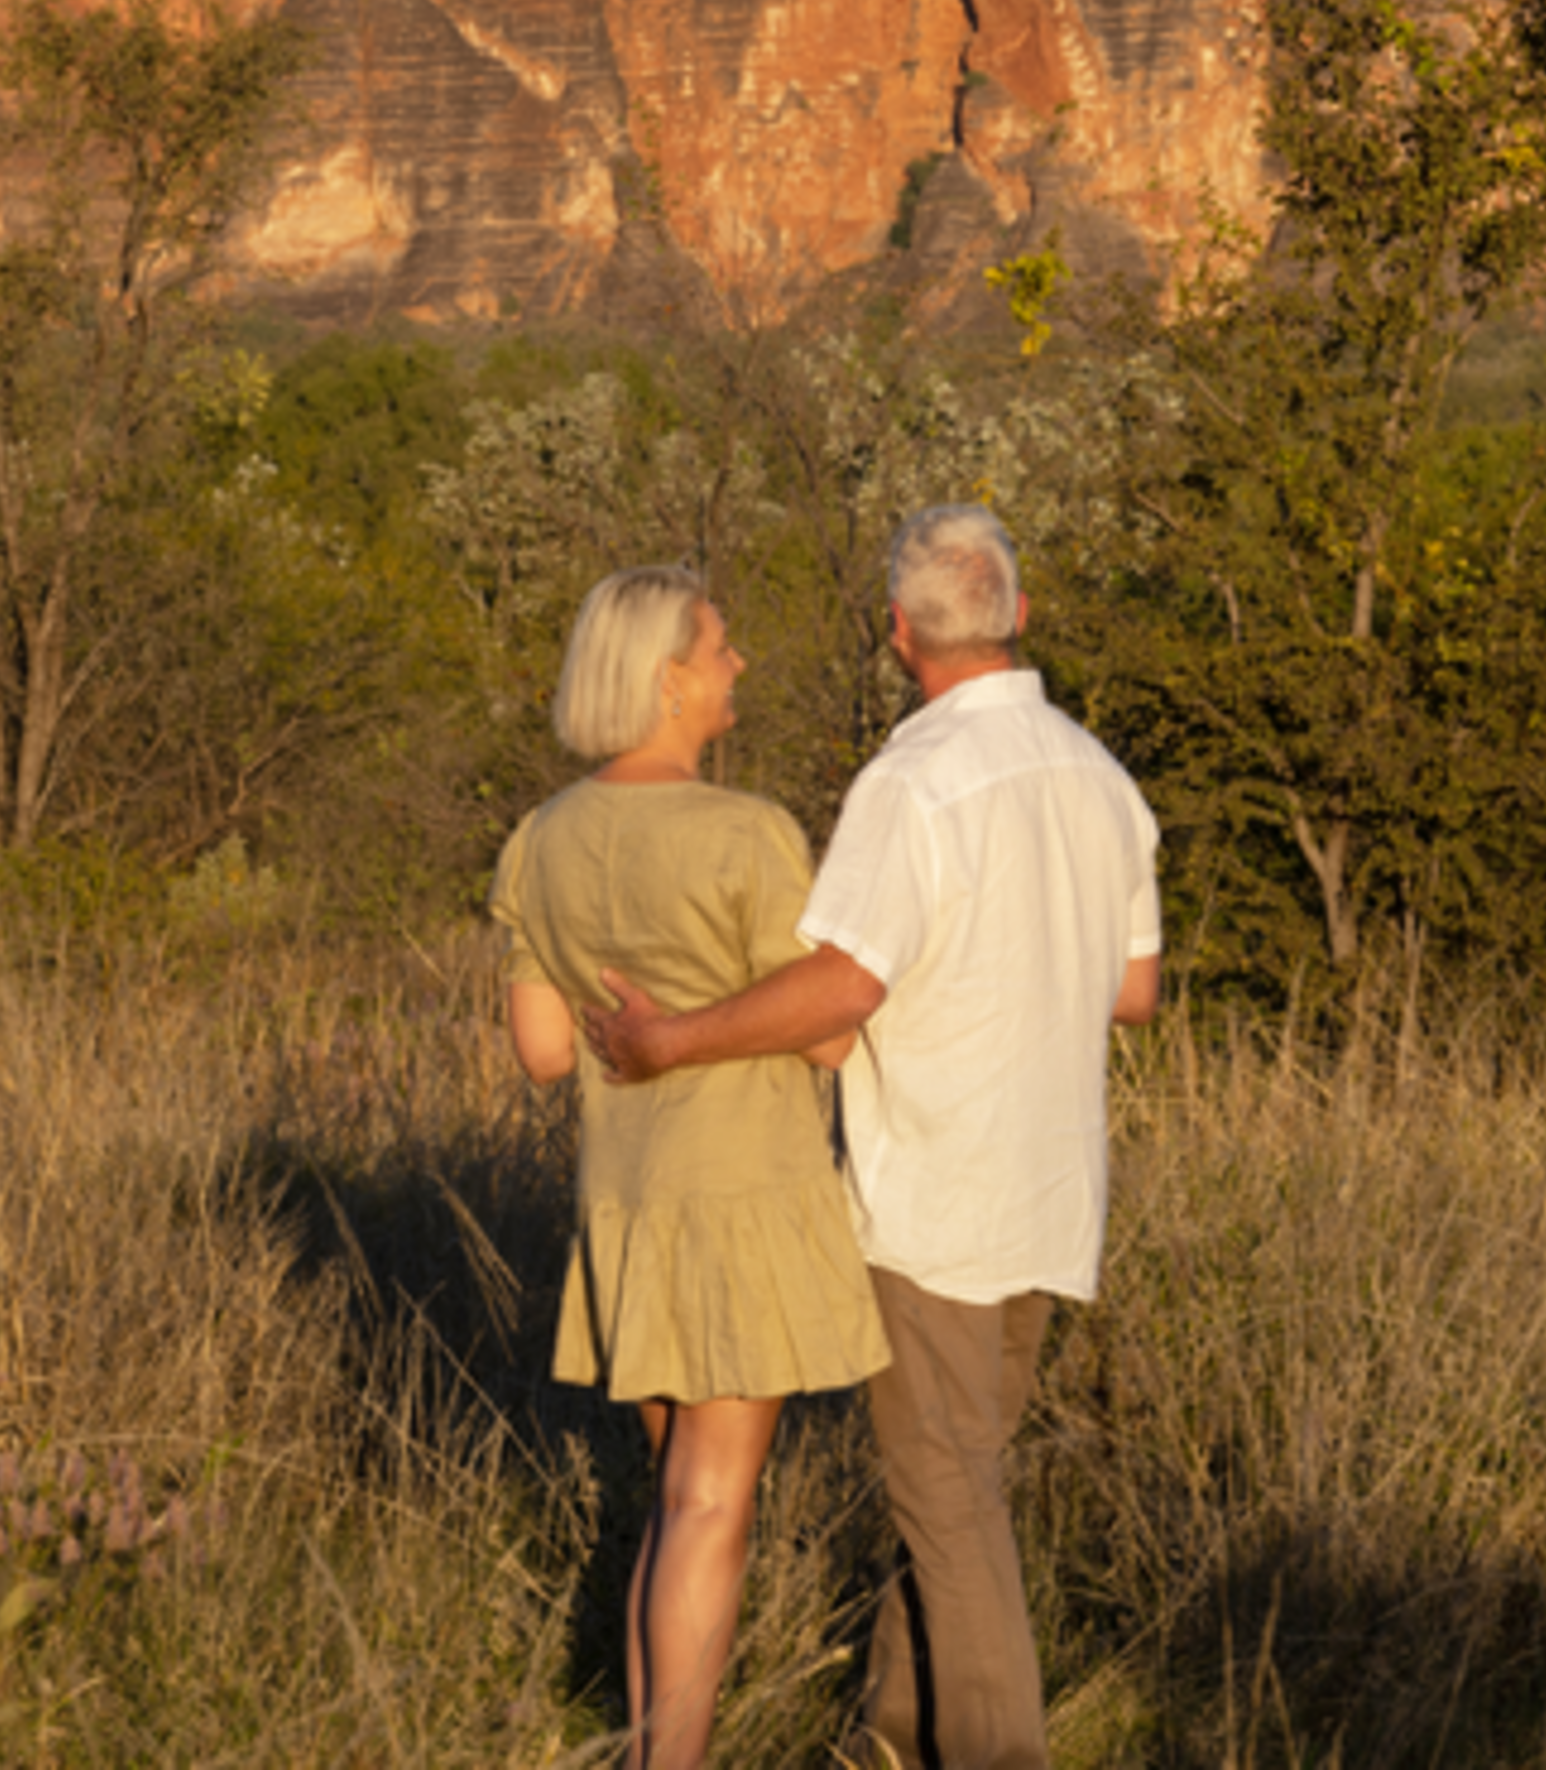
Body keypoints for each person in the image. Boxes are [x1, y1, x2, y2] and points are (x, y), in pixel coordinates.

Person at [590, 504, 1162, 1770]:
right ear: (1016, 615)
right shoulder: (1103, 781)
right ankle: (894, 1736)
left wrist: (676, 1039)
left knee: (953, 1513)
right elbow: (1134, 991)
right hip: (1053, 1194)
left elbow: (844, 988)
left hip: (935, 1195)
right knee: (950, 1491)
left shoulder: (911, 782)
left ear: (901, 634)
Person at [490, 564, 888, 1770]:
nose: (738, 665)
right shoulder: (748, 832)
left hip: (624, 1201)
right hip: (740, 1199)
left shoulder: (539, 838)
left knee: (677, 1505)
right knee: (714, 1505)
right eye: (721, 646)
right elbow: (827, 1034)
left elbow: (545, 1053)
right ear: (668, 680)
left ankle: (654, 1748)